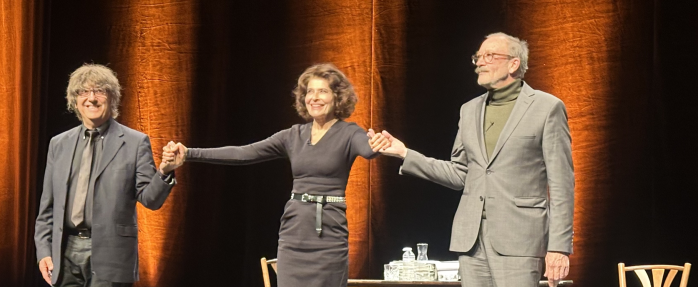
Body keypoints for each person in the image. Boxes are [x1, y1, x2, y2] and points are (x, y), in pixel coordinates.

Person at [369, 32, 574, 287]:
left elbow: (562, 184)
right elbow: (460, 174)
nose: (480, 62)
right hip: (471, 240)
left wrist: (559, 247)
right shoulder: (469, 110)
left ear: (513, 63)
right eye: (478, 56)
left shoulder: (547, 107)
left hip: (519, 238)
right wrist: (404, 153)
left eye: (489, 55)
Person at [165, 63, 389, 287]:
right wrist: (189, 153)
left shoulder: (350, 133)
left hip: (328, 234)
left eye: (323, 91)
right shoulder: (293, 135)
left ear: (337, 97)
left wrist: (377, 144)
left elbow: (368, 149)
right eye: (310, 91)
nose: (314, 97)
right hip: (294, 233)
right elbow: (244, 153)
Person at [34, 64, 179, 287]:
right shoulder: (58, 144)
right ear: (75, 100)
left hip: (111, 253)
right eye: (84, 91)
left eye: (99, 91)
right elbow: (48, 207)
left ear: (112, 98)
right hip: (65, 252)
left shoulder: (135, 142)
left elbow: (150, 199)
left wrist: (165, 171)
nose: (91, 98)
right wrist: (43, 250)